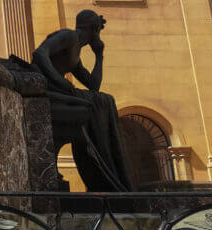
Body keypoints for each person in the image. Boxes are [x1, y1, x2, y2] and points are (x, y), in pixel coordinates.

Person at [31, 10, 134, 192]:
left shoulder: (76, 53)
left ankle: (107, 168)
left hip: (59, 90)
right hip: (45, 88)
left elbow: (94, 85)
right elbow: (40, 53)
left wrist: (99, 55)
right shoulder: (68, 36)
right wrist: (60, 81)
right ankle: (106, 167)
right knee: (99, 103)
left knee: (104, 100)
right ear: (94, 30)